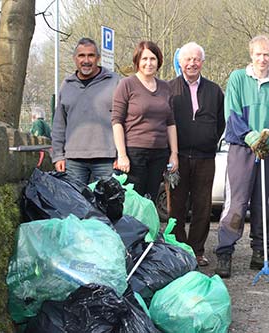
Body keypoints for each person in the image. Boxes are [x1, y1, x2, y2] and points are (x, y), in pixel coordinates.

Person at [214, 35, 269, 278]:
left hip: (268, 149)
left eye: (267, 54)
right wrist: (249, 136)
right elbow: (232, 112)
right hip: (241, 148)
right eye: (258, 54)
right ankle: (225, 252)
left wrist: (268, 135)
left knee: (264, 203)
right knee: (236, 202)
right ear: (251, 55)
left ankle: (262, 252)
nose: (262, 59)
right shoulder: (237, 78)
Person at [168, 42, 225, 267]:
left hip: (205, 157)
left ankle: (197, 250)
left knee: (203, 206)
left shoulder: (214, 90)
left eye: (196, 59)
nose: (192, 63)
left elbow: (221, 122)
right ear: (180, 62)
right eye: (187, 59)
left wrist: (209, 139)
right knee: (176, 206)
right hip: (177, 156)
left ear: (202, 62)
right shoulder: (169, 88)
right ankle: (178, 248)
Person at [111, 41, 178, 203]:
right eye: (144, 59)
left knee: (150, 201)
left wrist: (174, 154)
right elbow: (117, 121)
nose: (149, 63)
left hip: (159, 154)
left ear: (158, 61)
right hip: (134, 155)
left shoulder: (165, 87)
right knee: (134, 202)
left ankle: (149, 229)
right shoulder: (126, 85)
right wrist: (122, 155)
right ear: (137, 61)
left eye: (153, 59)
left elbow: (170, 122)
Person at [52, 37, 119, 184]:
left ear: (98, 58)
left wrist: (122, 154)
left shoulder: (115, 81)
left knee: (108, 205)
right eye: (82, 55)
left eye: (91, 55)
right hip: (73, 160)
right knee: (75, 204)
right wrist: (58, 156)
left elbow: (124, 120)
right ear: (75, 58)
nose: (86, 60)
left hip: (107, 159)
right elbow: (59, 124)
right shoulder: (67, 85)